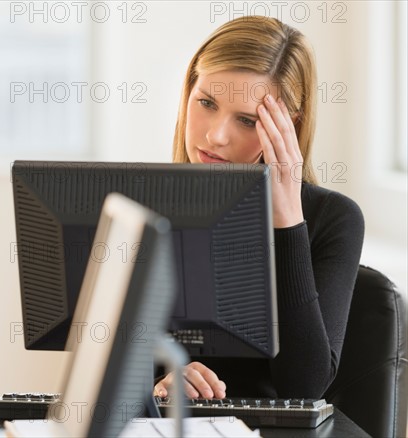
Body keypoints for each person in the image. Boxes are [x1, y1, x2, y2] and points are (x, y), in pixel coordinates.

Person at [154, 15, 364, 400]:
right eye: (206, 102)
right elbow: (104, 374)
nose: (216, 136)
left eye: (248, 120)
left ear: (288, 126)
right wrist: (160, 386)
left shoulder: (333, 220)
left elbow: (304, 387)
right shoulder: (144, 208)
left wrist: (285, 218)